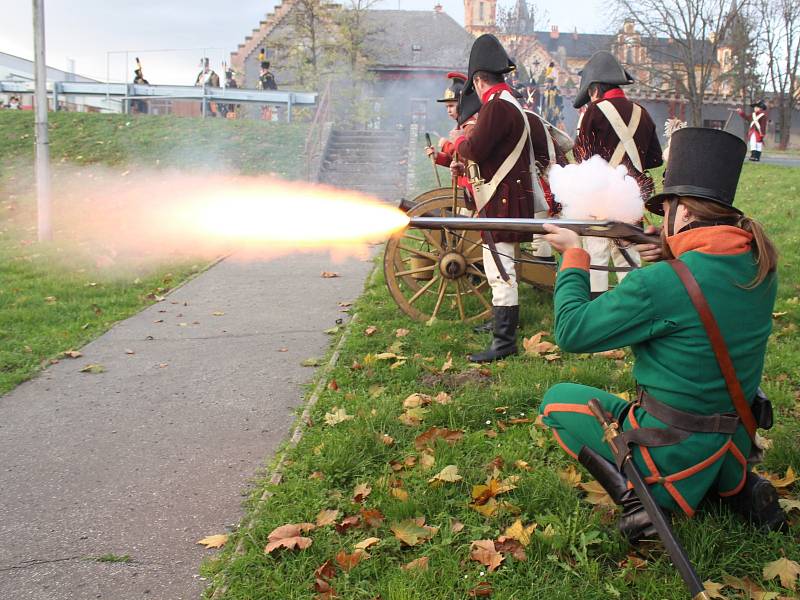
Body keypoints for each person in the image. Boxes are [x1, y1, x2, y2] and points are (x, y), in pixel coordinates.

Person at [538, 127, 786, 543]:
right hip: (735, 439)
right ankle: (734, 485)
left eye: (667, 207)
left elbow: (571, 331)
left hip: (674, 446)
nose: (662, 217)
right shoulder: (759, 262)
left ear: (683, 214)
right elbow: (708, 272)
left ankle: (643, 505)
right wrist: (671, 248)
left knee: (556, 401)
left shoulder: (661, 283)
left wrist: (573, 254)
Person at [450, 34, 550, 363]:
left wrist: (461, 140)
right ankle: (500, 326)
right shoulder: (510, 103)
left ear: (478, 80)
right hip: (509, 195)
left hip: (502, 198)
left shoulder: (495, 107)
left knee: (500, 267)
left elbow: (476, 150)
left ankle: (504, 343)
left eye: (474, 85)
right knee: (501, 265)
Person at [572, 51, 663, 297]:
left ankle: (597, 311)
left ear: (595, 89)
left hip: (600, 196)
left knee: (597, 257)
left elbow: (581, 155)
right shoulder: (641, 112)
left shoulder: (594, 111)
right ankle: (632, 311)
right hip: (632, 196)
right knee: (629, 257)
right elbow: (654, 158)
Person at [425, 72, 480, 178]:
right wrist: (438, 157)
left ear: (463, 104)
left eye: (451, 106)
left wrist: (446, 146)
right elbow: (457, 161)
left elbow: (469, 157)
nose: (449, 111)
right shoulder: (461, 126)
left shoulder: (471, 126)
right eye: (447, 107)